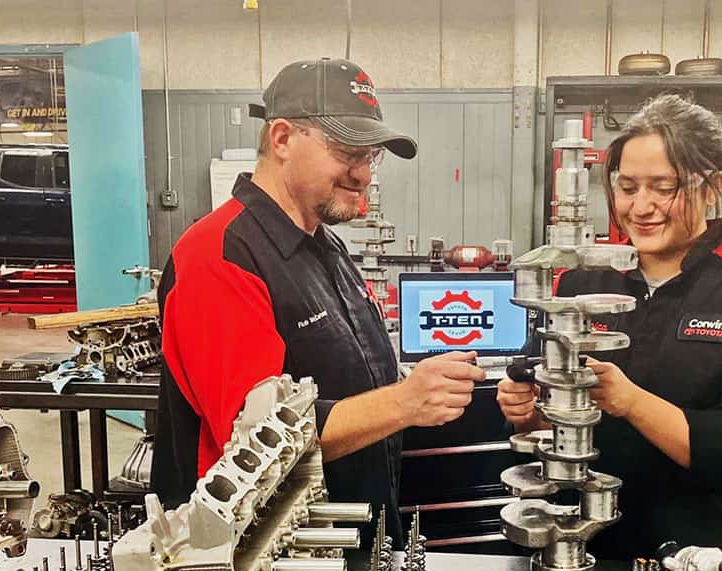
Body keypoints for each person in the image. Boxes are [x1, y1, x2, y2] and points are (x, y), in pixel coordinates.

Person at [152, 58, 485, 545]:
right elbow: (255, 441)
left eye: (370, 156)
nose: (363, 173)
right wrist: (404, 401)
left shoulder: (325, 247)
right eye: (348, 150)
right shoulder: (219, 255)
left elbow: (352, 388)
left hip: (348, 550)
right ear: (283, 139)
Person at [497, 94, 722, 560]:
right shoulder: (577, 278)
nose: (641, 207)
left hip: (698, 551)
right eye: (627, 187)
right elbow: (547, 402)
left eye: (664, 187)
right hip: (576, 539)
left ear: (711, 186)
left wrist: (632, 402)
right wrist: (525, 411)